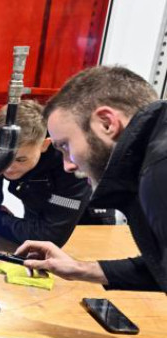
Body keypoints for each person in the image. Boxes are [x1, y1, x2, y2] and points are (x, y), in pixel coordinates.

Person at [16, 66, 167, 293]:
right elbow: (161, 268)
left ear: (107, 123)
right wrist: (78, 269)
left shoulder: (158, 172)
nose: (68, 165)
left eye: (65, 146)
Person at [0, 100, 91, 247]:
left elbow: (49, 237)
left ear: (44, 145)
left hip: (90, 219)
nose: (8, 168)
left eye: (20, 160)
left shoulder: (71, 162)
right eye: (1, 159)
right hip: (36, 209)